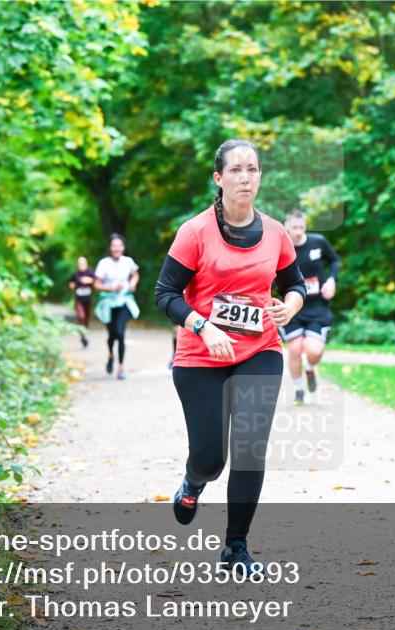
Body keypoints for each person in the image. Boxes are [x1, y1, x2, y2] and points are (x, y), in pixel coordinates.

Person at [154, 138, 306, 574]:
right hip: (200, 355)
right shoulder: (195, 231)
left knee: (251, 446)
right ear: (218, 179)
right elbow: (164, 293)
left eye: (253, 169)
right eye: (236, 170)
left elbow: (296, 283)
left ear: (260, 177)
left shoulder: (276, 232)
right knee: (211, 458)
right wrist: (203, 325)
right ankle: (193, 481)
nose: (245, 177)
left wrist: (290, 306)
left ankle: (235, 548)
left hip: (259, 349)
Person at [278, 210, 340, 404]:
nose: (298, 232)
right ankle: (298, 391)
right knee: (295, 349)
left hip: (317, 307)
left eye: (301, 227)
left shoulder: (318, 242)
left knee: (313, 351)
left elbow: (335, 260)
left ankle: (310, 369)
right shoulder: (280, 247)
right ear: (286, 227)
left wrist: (331, 280)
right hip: (292, 307)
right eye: (294, 228)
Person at [94, 234, 140, 380]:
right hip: (108, 303)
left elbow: (135, 274)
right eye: (114, 246)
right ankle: (110, 355)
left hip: (124, 301)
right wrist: (111, 288)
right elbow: (97, 284)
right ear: (110, 248)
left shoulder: (128, 261)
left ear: (123, 247)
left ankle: (120, 368)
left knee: (120, 333)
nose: (117, 248)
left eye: (119, 245)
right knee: (112, 335)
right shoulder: (104, 263)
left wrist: (132, 284)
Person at [68, 256, 96, 347]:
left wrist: (89, 280)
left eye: (83, 263)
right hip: (79, 299)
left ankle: (84, 333)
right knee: (81, 317)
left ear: (86, 264)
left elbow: (97, 282)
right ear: (77, 265)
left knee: (87, 318)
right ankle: (82, 335)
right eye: (80, 264)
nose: (81, 265)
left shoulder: (90, 272)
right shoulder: (75, 274)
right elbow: (71, 284)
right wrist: (73, 285)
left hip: (88, 299)